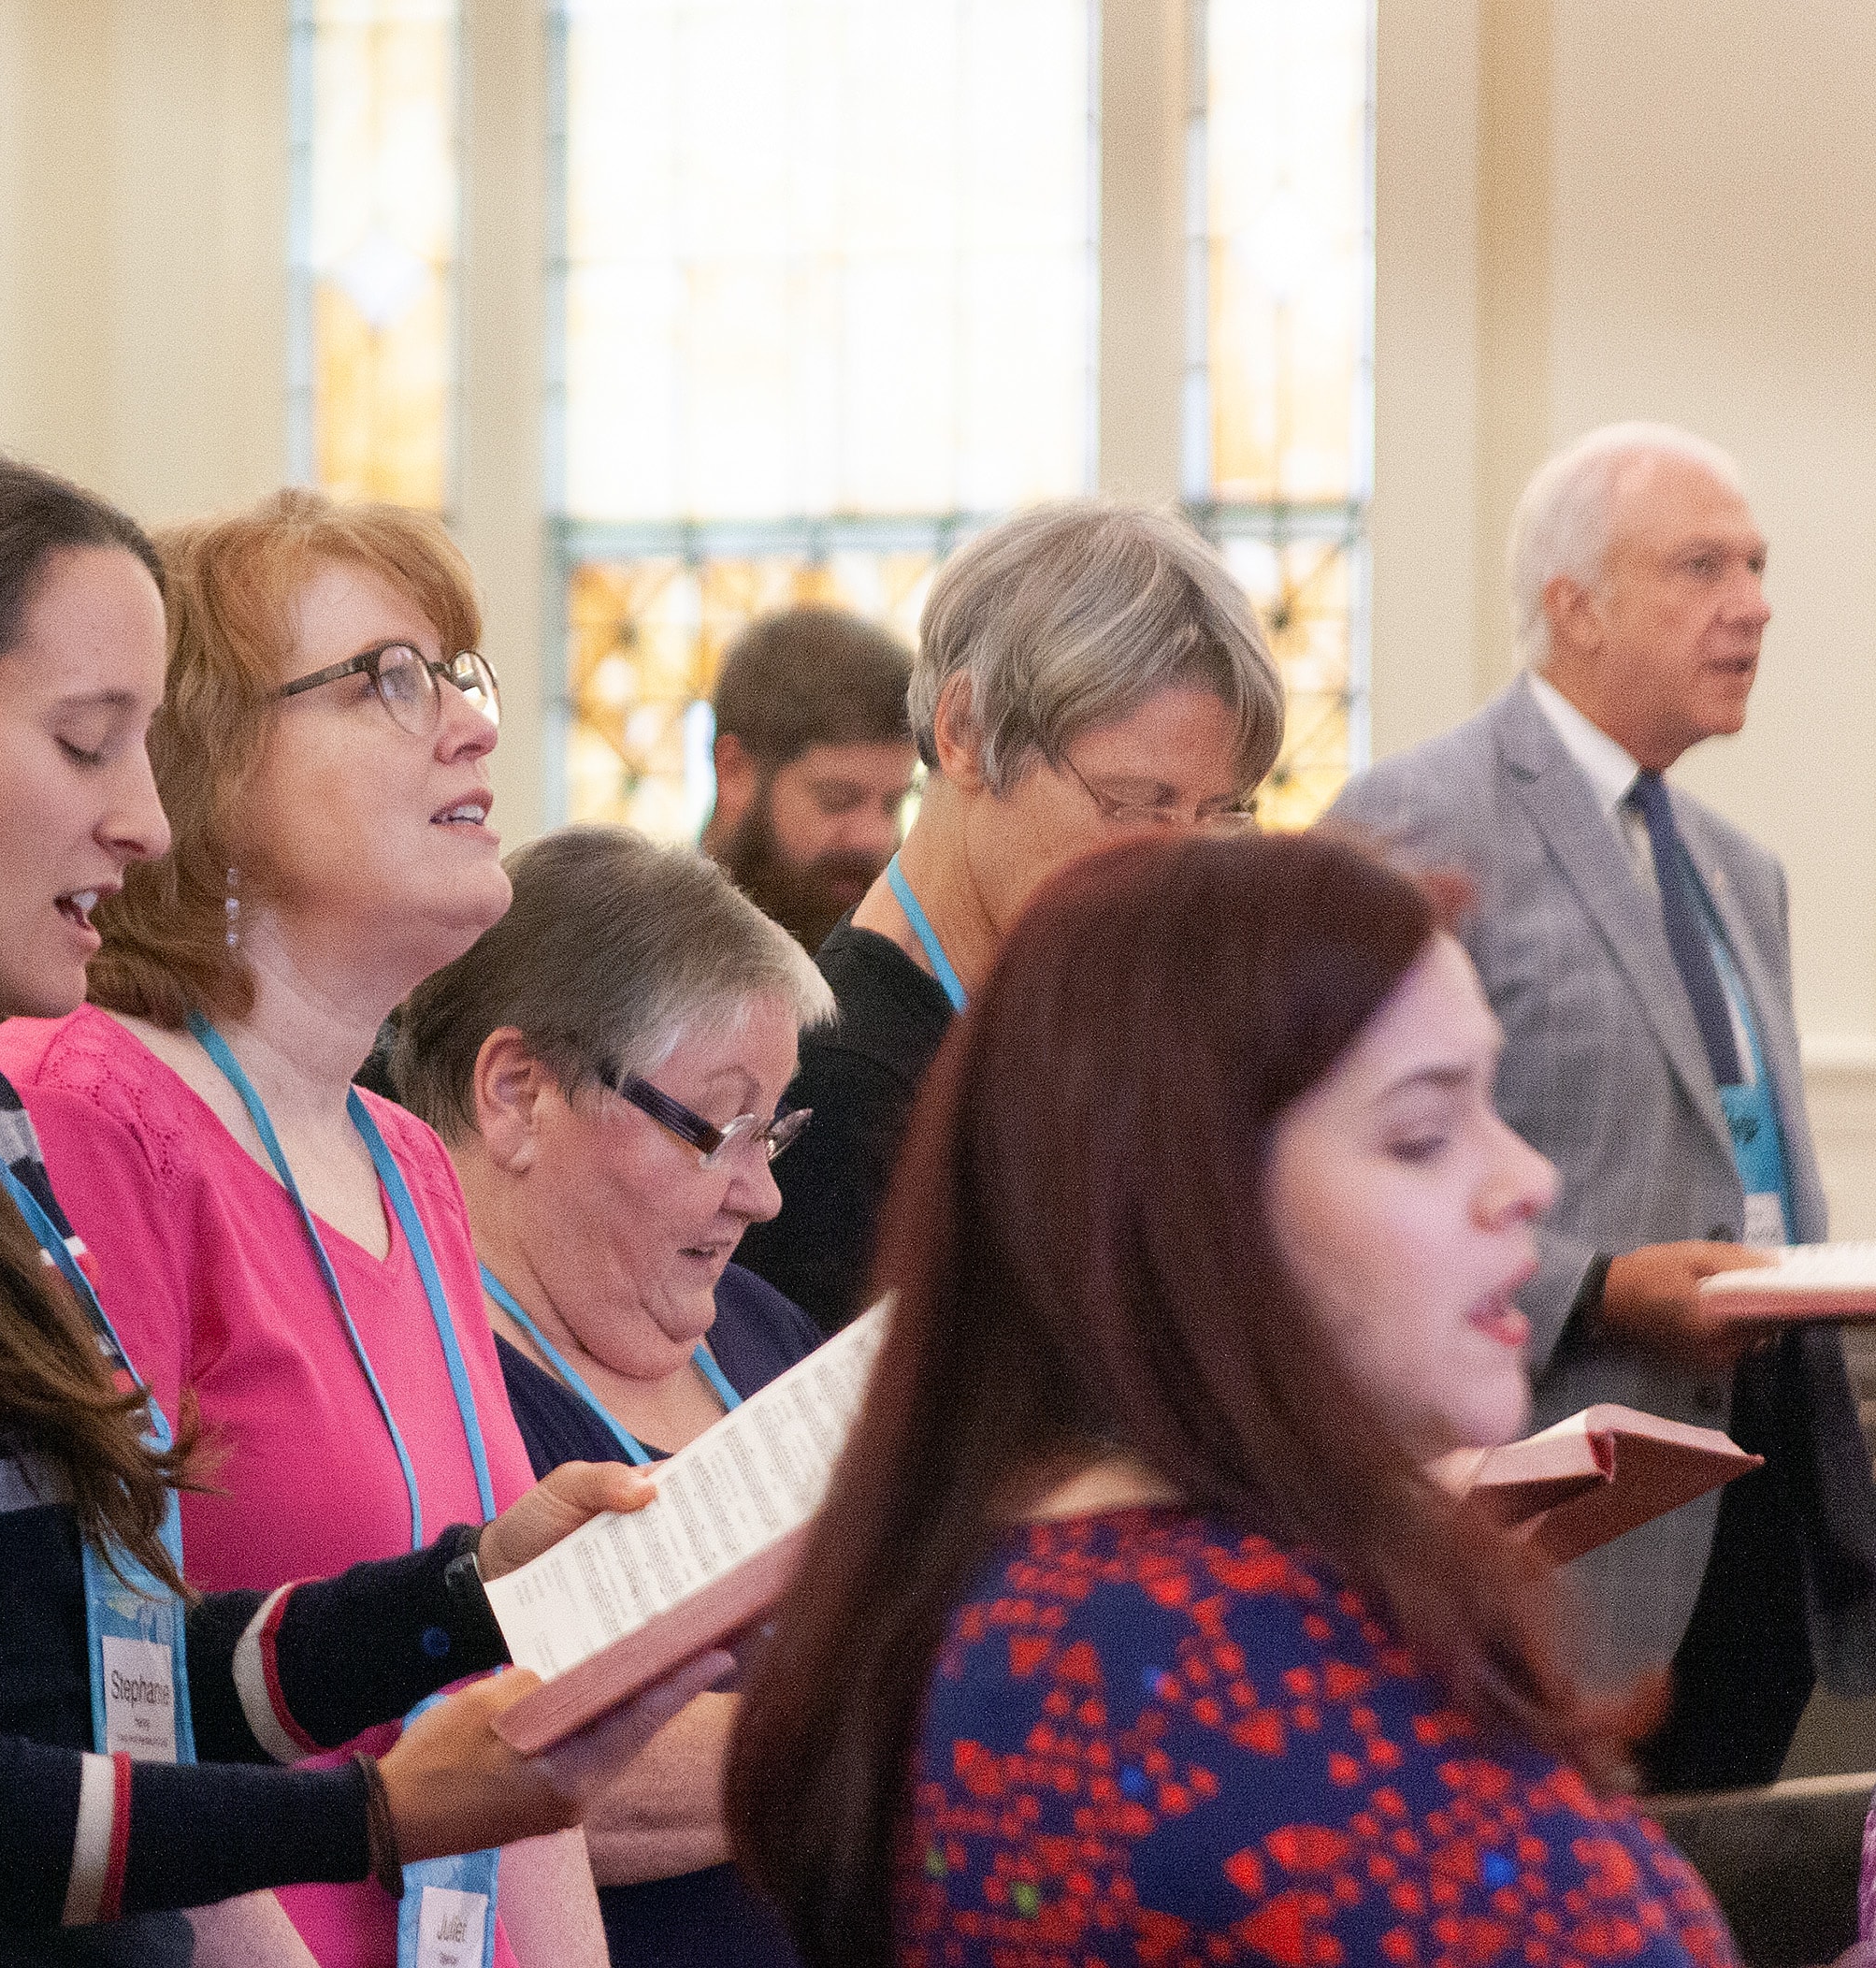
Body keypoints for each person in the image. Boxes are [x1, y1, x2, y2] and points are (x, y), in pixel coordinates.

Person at [0, 443, 718, 1965]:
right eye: (90, 743)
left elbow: (106, 1675)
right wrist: (361, 1815)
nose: (141, 819)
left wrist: (461, 1596)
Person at [728, 831, 1741, 1968]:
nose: (1528, 1180)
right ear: (1193, 1212)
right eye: (1421, 1134)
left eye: (1491, 1105)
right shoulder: (1209, 1670)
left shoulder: (1022, 1583)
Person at [0, 488, 611, 1968]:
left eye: (459, 676)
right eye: (389, 679)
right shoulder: (84, 1110)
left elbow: (508, 1707)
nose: (469, 727)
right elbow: (116, 1708)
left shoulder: (406, 1159)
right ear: (203, 767)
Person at [1328, 422, 1876, 1792]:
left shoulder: (1737, 870)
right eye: (1702, 566)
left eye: (1756, 566)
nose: (1752, 603)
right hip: (1564, 1506)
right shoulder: (1420, 818)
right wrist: (1600, 1286)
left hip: (1765, 1490)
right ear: (1572, 605)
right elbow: (1333, 1172)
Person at [389, 822, 830, 1968]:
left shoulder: (762, 1328)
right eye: (724, 1128)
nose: (764, 1193)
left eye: (774, 1129)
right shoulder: (431, 1381)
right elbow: (524, 1767)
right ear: (518, 1095)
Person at [732, 501, 1284, 1331]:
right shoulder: (838, 1089)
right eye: (1133, 806)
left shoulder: (1092, 1026)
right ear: (965, 732)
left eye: (1219, 815)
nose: (1179, 867)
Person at [696, 604, 917, 952]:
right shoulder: (634, 968)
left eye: (893, 804)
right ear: (734, 772)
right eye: (838, 801)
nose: (875, 838)